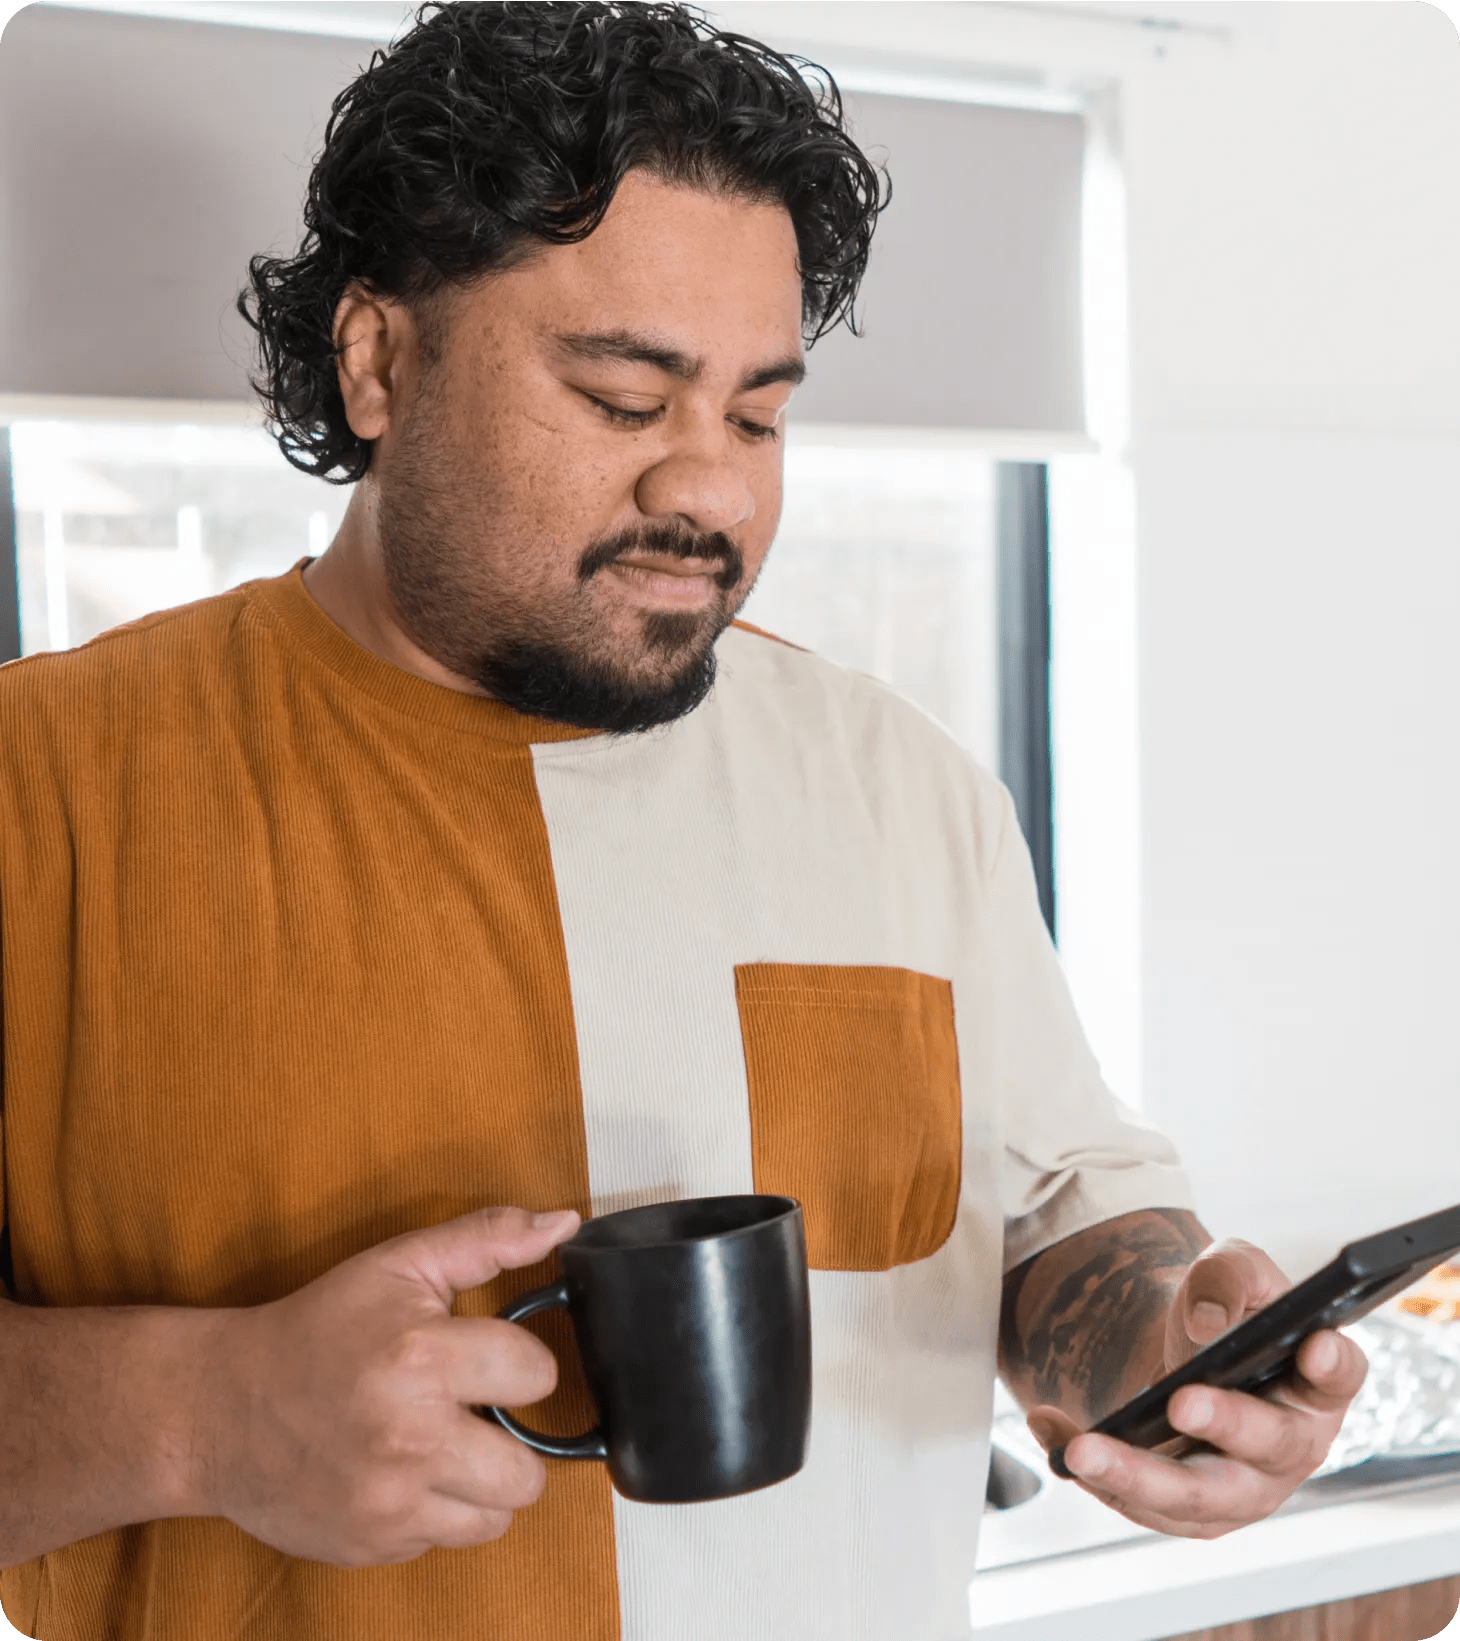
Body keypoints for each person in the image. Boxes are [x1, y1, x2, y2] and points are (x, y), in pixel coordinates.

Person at [0, 4, 1365, 1639]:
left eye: (758, 415)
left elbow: (1055, 1216)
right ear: (381, 362)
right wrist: (197, 1413)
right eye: (626, 398)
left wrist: (1165, 1350)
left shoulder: (895, 783)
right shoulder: (47, 786)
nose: (710, 491)